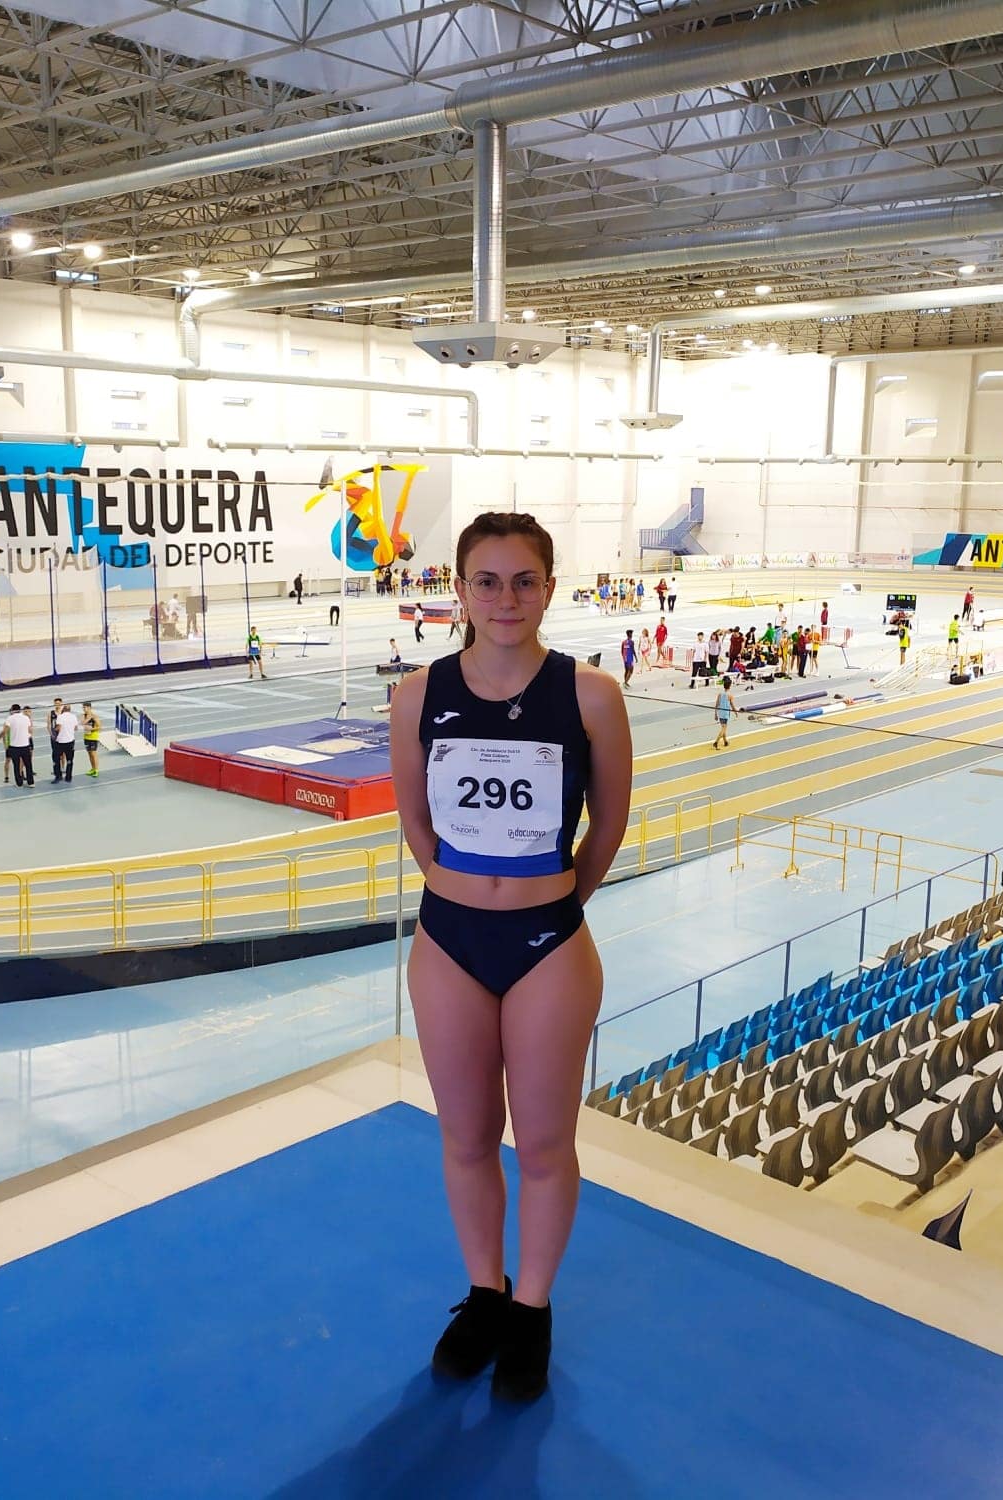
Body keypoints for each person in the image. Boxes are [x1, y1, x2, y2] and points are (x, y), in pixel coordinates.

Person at [388, 511, 629, 1404]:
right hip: (449, 941)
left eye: (523, 581)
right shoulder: (418, 694)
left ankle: (532, 1308)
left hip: (548, 945)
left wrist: (555, 903)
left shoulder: (592, 695)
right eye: (486, 581)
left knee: (544, 1143)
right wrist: (462, 889)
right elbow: (416, 820)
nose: (505, 599)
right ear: (458, 590)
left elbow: (607, 824)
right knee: (463, 1137)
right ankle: (485, 1293)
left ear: (551, 589)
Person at [0, 703, 35, 787]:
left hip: (14, 746)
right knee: (28, 765)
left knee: (16, 765)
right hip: (25, 745)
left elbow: (4, 731)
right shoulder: (26, 718)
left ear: (12, 710)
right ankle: (31, 782)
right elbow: (30, 730)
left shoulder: (10, 718)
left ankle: (19, 783)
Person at [50, 700, 78, 783]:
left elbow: (58, 728)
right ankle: (68, 777)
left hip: (60, 741)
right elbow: (75, 728)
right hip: (70, 741)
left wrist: (54, 730)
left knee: (56, 759)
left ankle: (58, 776)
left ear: (63, 709)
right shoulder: (73, 716)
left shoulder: (60, 717)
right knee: (69, 760)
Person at [713, 675, 735, 750]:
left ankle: (725, 741)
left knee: (723, 727)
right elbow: (732, 705)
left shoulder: (720, 694)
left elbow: (716, 704)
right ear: (730, 686)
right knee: (724, 729)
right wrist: (736, 712)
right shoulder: (730, 695)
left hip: (720, 713)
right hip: (725, 714)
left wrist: (715, 714)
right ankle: (716, 742)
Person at [82, 703, 102, 778]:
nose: (84, 709)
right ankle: (92, 768)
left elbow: (99, 727)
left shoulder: (94, 716)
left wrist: (92, 729)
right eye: (83, 707)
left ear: (89, 708)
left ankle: (96, 770)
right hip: (86, 737)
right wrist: (87, 719)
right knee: (89, 754)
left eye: (85, 707)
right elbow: (82, 723)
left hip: (93, 737)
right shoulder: (84, 716)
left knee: (94, 754)